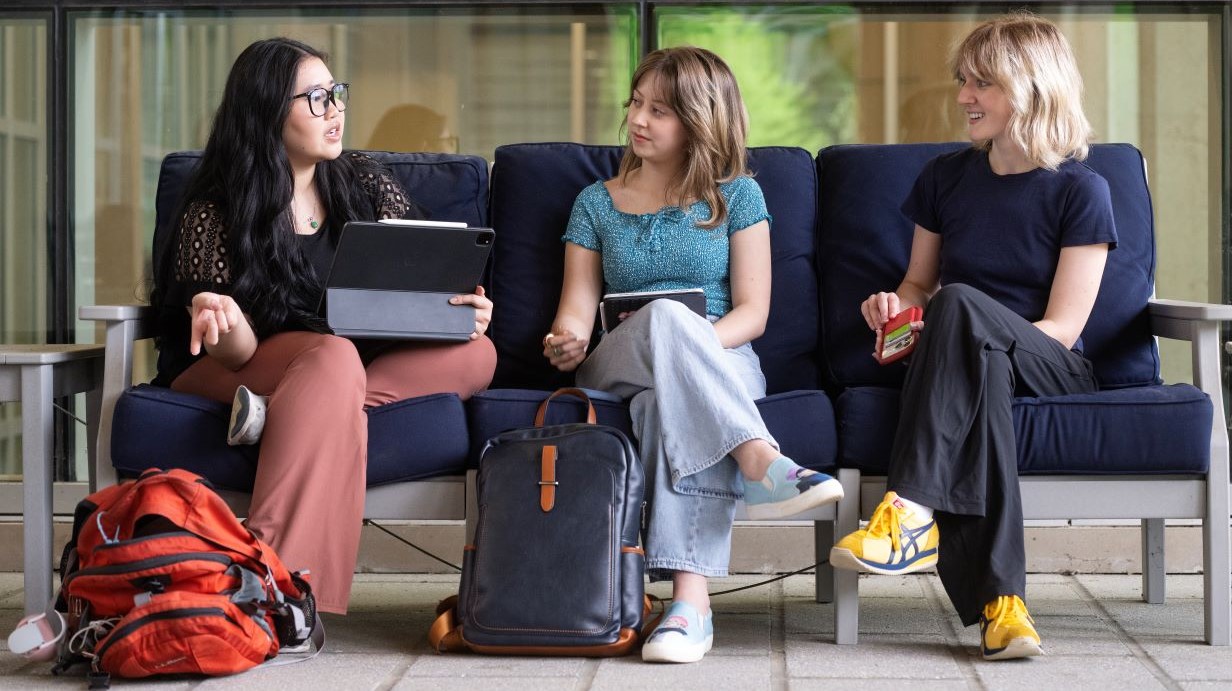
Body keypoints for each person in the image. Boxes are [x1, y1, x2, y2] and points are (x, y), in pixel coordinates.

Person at [150, 37, 497, 615]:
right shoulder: (215, 208)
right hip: (235, 366)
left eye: (336, 93)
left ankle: (299, 413)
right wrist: (224, 317)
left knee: (475, 353)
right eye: (314, 97)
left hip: (334, 372)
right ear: (265, 111)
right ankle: (279, 594)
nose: (335, 109)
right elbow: (233, 355)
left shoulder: (363, 181)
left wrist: (457, 309)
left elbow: (417, 275)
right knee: (331, 359)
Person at [829, 12, 1117, 661]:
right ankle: (1002, 606)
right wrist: (891, 306)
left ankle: (908, 508)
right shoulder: (946, 177)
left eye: (981, 83)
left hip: (1049, 361)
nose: (963, 97)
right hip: (966, 358)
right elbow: (918, 286)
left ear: (1033, 86)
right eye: (964, 81)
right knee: (970, 352)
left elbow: (1064, 330)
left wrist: (960, 320)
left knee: (963, 310)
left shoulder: (1082, 189)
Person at [542, 46, 844, 664]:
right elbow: (576, 307)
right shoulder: (595, 203)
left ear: (701, 121)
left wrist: (683, 343)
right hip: (618, 362)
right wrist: (566, 339)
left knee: (663, 403)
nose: (638, 119)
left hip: (722, 358)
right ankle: (759, 458)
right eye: (636, 104)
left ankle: (690, 605)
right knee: (665, 323)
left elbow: (752, 313)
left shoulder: (739, 198)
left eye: (660, 110)